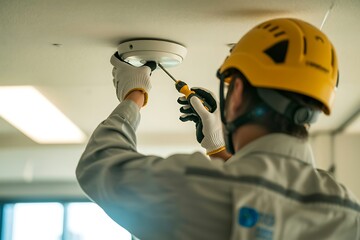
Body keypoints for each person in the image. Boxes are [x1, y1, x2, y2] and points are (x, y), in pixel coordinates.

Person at [76, 18, 360, 240]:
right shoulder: (347, 211)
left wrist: (134, 95)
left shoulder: (198, 185)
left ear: (236, 93)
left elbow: (99, 164)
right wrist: (219, 151)